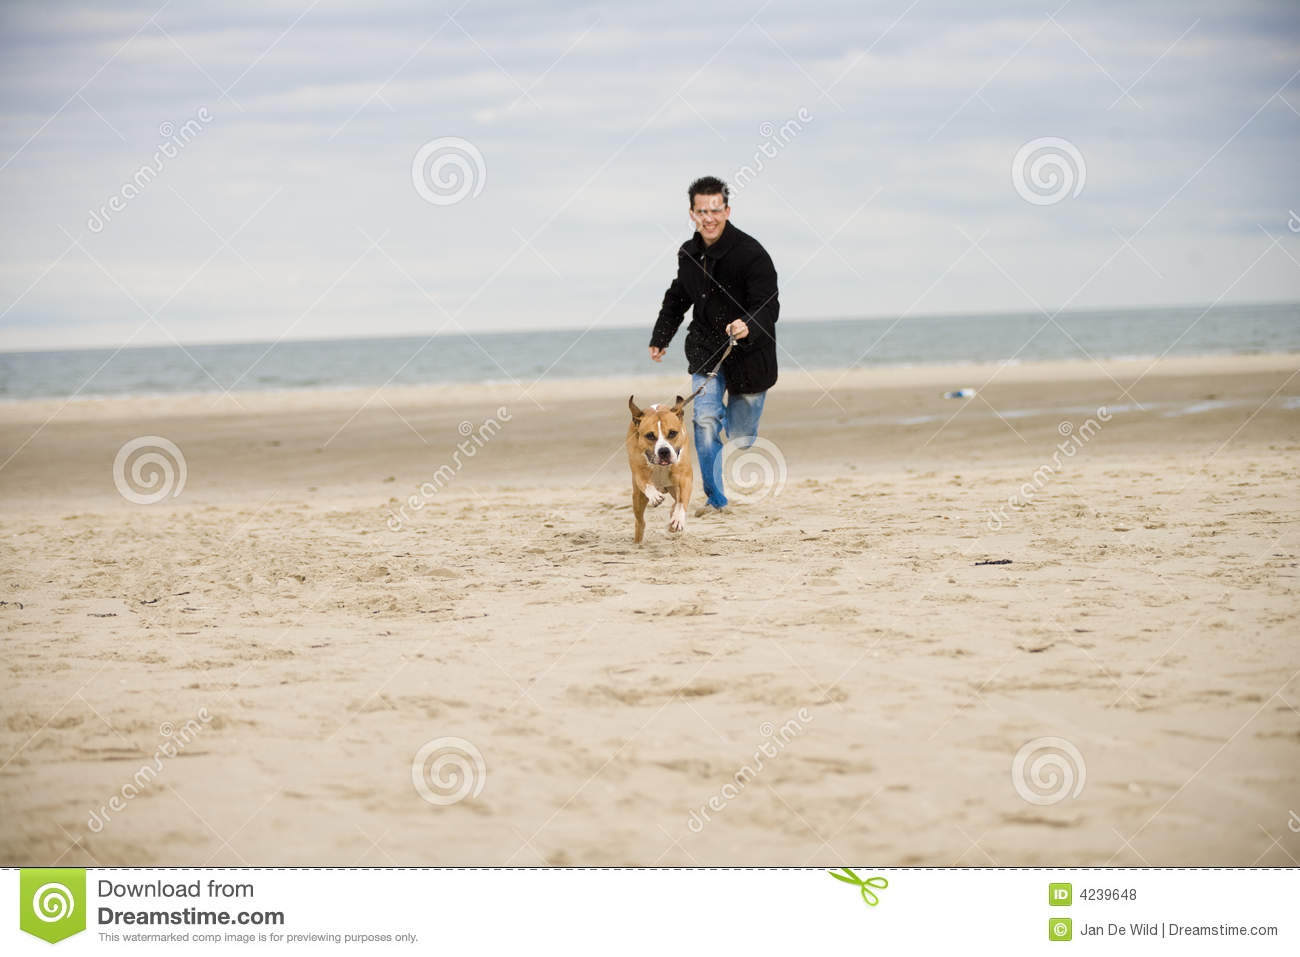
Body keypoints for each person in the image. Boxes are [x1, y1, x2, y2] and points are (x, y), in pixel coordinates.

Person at [649, 175, 779, 516]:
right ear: (692, 213)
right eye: (701, 211)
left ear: (727, 210)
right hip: (706, 349)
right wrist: (661, 337)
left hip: (751, 356)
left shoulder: (752, 253)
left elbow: (768, 304)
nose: (709, 218)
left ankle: (733, 435)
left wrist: (746, 325)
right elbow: (678, 296)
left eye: (715, 210)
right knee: (705, 421)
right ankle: (716, 499)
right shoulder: (688, 253)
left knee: (740, 435)